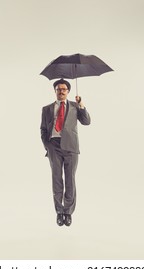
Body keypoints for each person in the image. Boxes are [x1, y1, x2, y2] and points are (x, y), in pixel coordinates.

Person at [40, 79, 91, 226]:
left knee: (70, 180)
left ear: (68, 91)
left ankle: (68, 212)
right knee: (56, 180)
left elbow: (86, 122)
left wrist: (81, 105)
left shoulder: (75, 106)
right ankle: (59, 211)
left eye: (63, 89)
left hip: (71, 148)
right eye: (58, 89)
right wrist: (47, 145)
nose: (61, 91)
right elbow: (43, 129)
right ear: (55, 91)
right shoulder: (47, 109)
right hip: (54, 147)